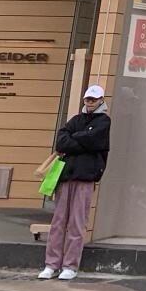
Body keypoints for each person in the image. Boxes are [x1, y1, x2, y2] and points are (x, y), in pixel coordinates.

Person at [38, 83, 111, 280]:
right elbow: (62, 141)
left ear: (101, 100)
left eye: (94, 99)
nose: (90, 102)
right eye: (88, 99)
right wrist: (82, 140)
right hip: (66, 176)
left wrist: (74, 139)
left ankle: (70, 265)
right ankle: (51, 264)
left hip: (85, 177)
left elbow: (94, 140)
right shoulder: (76, 119)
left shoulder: (104, 121)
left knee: (77, 222)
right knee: (58, 221)